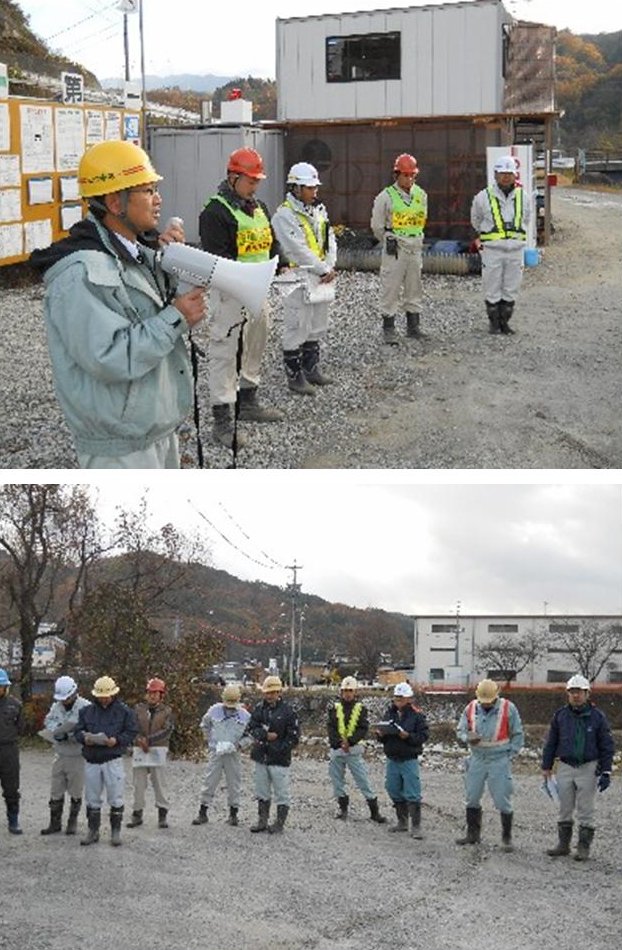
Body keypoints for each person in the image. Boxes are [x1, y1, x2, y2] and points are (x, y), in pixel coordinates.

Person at [29, 139, 207, 469]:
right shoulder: (79, 273)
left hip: (153, 429)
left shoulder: (132, 253)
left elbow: (143, 310)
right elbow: (109, 357)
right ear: (115, 202)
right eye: (148, 190)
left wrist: (167, 264)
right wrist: (176, 317)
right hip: (120, 447)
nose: (158, 199)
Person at [198, 146, 283, 449]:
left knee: (255, 344)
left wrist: (280, 263)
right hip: (230, 294)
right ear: (232, 177)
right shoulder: (215, 212)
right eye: (250, 180)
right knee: (224, 351)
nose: (255, 185)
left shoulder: (258, 207)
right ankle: (222, 418)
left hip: (257, 291)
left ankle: (247, 400)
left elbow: (270, 243)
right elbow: (217, 259)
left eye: (257, 180)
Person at [271, 162, 337, 395]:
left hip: (319, 275)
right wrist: (322, 269)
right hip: (297, 275)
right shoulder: (284, 215)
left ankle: (311, 368)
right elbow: (297, 248)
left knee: (317, 323)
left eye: (315, 187)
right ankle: (294, 375)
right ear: (296, 188)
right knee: (297, 324)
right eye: (309, 187)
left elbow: (330, 239)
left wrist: (329, 266)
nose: (314, 191)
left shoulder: (319, 210)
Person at [541, 674, 614, 862]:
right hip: (565, 766)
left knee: (585, 809)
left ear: (587, 693)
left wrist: (606, 771)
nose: (576, 696)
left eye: (579, 692)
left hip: (589, 767)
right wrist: (546, 766)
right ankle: (563, 845)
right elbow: (551, 742)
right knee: (564, 807)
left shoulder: (598, 717)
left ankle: (583, 847)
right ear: (568, 694)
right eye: (572, 692)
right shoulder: (560, 716)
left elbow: (606, 745)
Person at [456, 678, 524, 851]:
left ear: (496, 697)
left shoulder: (509, 708)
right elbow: (461, 730)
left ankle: (506, 837)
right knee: (472, 796)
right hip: (477, 758)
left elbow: (517, 733)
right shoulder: (471, 708)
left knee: (502, 798)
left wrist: (511, 753)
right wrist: (467, 738)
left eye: (489, 702)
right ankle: (473, 834)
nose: (486, 705)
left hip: (499, 759)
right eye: (483, 702)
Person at [370, 153, 428, 345]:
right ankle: (389, 328)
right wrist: (388, 239)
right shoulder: (385, 197)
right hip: (395, 247)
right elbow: (377, 226)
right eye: (405, 175)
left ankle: (413, 326)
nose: (409, 179)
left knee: (414, 286)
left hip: (415, 246)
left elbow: (422, 219)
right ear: (397, 175)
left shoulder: (421, 195)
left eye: (412, 175)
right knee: (391, 287)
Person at [470, 154, 531, 335]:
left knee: (511, 287)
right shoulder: (483, 197)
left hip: (515, 250)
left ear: (515, 175)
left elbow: (526, 218)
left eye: (509, 173)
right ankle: (494, 324)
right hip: (492, 250)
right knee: (492, 286)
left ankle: (505, 323)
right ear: (495, 174)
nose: (506, 176)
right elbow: (476, 220)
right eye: (502, 173)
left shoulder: (523, 197)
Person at [75, 675, 138, 847]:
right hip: (92, 759)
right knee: (92, 797)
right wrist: (84, 738)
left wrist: (117, 740)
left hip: (112, 759)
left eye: (106, 696)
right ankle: (92, 831)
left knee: (116, 797)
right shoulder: (86, 711)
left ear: (113, 694)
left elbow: (132, 731)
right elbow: (78, 731)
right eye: (101, 696)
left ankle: (115, 832)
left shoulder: (125, 711)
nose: (104, 699)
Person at [191, 683, 251, 827]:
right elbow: (204, 725)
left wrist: (239, 745)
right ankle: (203, 812)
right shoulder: (213, 711)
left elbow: (251, 735)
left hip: (233, 754)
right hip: (216, 752)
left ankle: (233, 814)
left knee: (234, 783)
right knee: (209, 781)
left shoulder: (246, 716)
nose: (229, 707)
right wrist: (211, 742)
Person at [327, 676, 386, 823]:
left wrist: (351, 741)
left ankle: (374, 811)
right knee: (337, 782)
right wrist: (339, 742)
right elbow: (331, 727)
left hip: (353, 750)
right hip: (338, 749)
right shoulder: (334, 708)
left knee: (363, 780)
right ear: (341, 692)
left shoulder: (361, 708)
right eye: (345, 690)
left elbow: (363, 728)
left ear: (355, 692)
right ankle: (343, 809)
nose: (347, 693)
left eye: (350, 690)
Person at [375, 682, 429, 837]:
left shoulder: (417, 715)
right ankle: (402, 821)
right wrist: (381, 735)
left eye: (400, 698)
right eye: (396, 698)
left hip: (408, 758)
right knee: (392, 788)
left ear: (408, 699)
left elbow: (423, 736)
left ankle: (416, 826)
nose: (397, 701)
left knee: (412, 792)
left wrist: (408, 736)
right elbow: (384, 736)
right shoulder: (389, 713)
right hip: (392, 757)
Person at [247, 675, 299, 834]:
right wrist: (264, 736)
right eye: (267, 692)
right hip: (261, 756)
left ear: (279, 692)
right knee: (261, 790)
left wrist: (279, 747)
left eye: (273, 692)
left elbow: (294, 736)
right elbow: (251, 728)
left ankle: (279, 823)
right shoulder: (258, 709)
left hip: (279, 758)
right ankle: (262, 820)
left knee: (281, 791)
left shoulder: (288, 711)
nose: (269, 695)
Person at [40, 675, 91, 836]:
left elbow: (90, 729)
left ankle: (72, 822)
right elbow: (48, 721)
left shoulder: (86, 707)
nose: (64, 701)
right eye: (62, 698)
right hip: (60, 753)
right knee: (56, 789)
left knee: (75, 790)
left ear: (74, 692)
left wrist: (73, 735)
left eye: (67, 698)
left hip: (77, 755)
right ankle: (55, 823)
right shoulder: (57, 706)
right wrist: (57, 730)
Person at [126, 677, 174, 831]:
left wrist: (148, 740)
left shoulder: (167, 711)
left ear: (161, 695)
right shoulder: (138, 709)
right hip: (140, 749)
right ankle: (137, 813)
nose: (152, 695)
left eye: (156, 693)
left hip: (158, 750)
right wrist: (138, 740)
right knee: (138, 784)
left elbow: (167, 730)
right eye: (150, 692)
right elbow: (132, 726)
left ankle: (162, 814)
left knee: (160, 784)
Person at [0, 668, 24, 835]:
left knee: (11, 787)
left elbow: (21, 728)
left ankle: (13, 820)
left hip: (8, 749)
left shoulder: (15, 705)